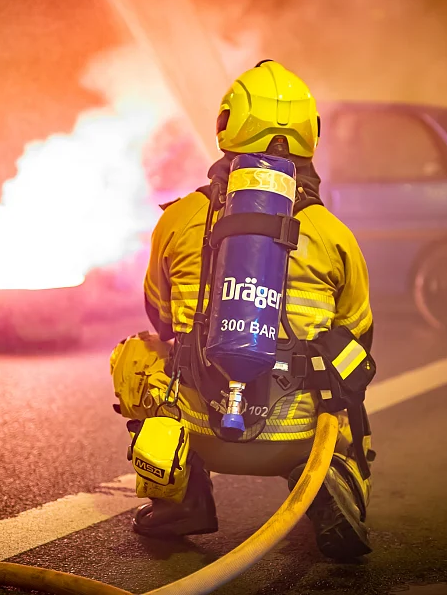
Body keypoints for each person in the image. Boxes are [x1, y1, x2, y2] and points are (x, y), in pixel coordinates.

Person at [110, 60, 375, 559]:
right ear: (310, 134)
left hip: (201, 428)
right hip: (299, 435)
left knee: (138, 355)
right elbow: (361, 333)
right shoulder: (332, 232)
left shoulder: (181, 218)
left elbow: (160, 318)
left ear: (227, 124)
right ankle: (331, 476)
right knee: (348, 362)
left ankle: (178, 498)